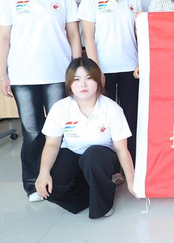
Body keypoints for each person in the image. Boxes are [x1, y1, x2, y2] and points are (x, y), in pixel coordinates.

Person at [0, 0, 82, 202]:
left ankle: (61, 180)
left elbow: (73, 35)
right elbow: (3, 39)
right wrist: (2, 74)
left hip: (58, 75)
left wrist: (77, 71)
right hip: (23, 76)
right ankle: (33, 185)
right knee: (32, 132)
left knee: (61, 131)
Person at [35, 57, 136, 219]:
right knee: (52, 184)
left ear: (98, 81)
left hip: (101, 159)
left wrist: (132, 182)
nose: (83, 85)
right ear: (69, 83)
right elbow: (52, 144)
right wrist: (43, 173)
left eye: (88, 78)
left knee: (93, 155)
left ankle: (102, 203)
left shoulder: (112, 109)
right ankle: (93, 193)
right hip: (73, 154)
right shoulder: (60, 108)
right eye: (76, 79)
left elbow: (121, 149)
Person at [78, 0, 142, 161]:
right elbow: (88, 37)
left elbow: (139, 36)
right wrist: (95, 70)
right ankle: (109, 165)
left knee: (130, 116)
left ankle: (131, 164)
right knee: (104, 118)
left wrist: (141, 62)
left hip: (130, 68)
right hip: (103, 68)